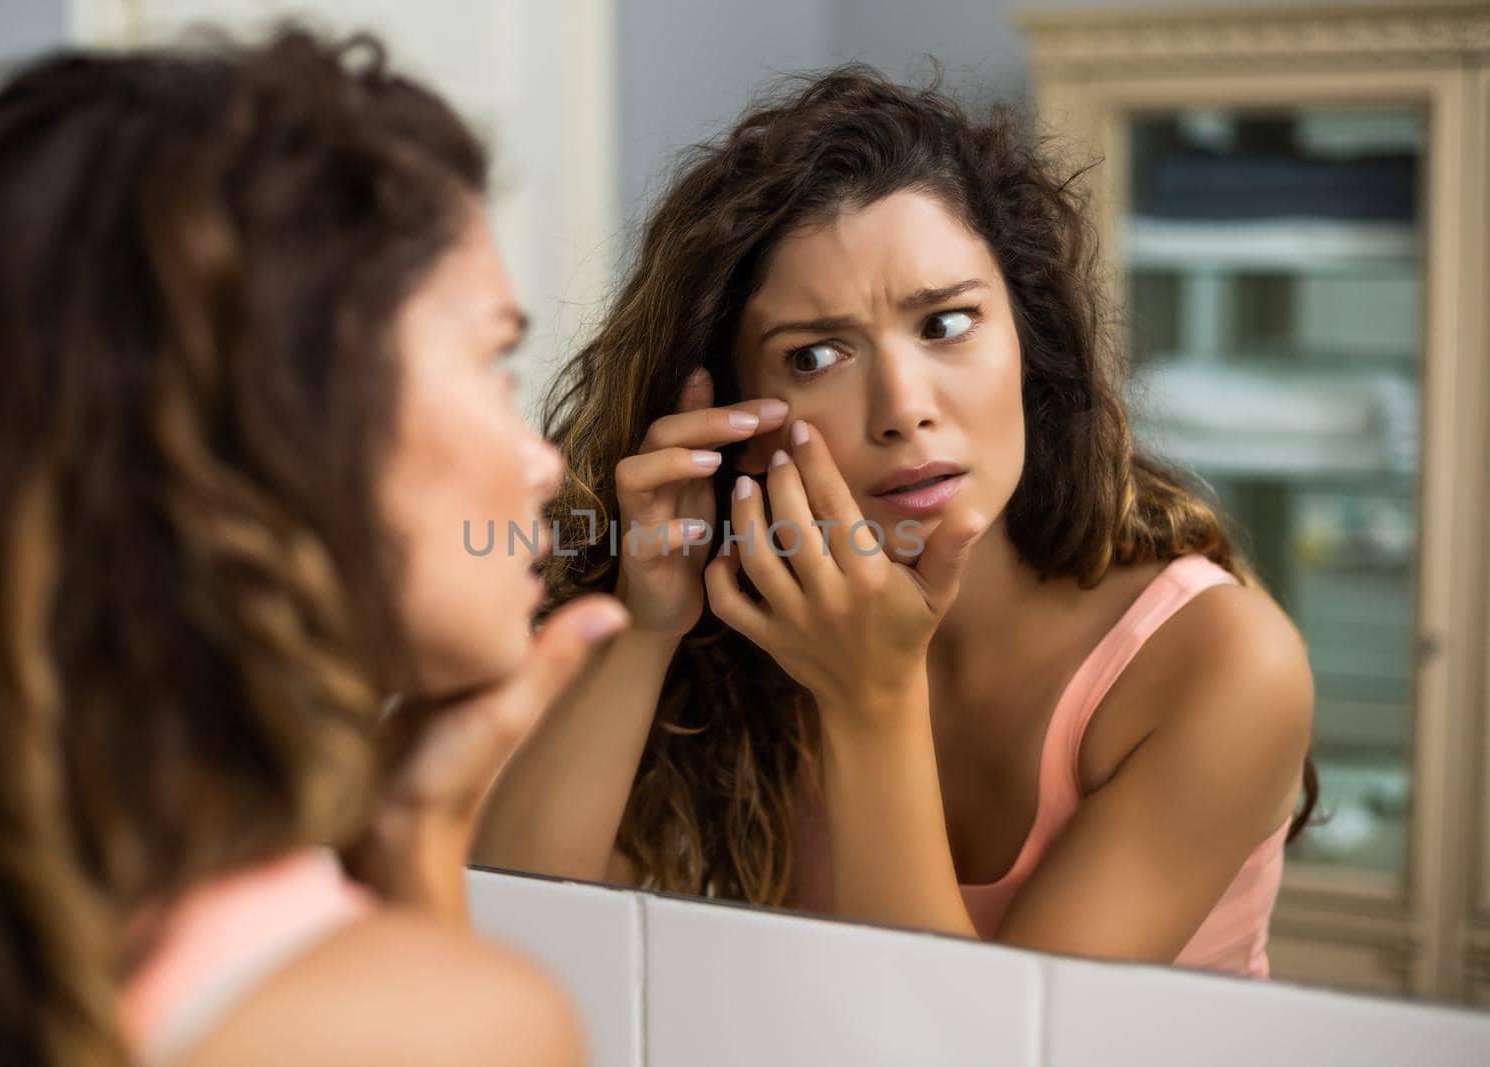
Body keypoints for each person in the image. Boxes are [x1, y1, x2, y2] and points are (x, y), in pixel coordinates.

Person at [473, 65, 1321, 979]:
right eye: (818, 354)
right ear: (734, 414)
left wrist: (870, 698)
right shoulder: (757, 628)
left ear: (1029, 343)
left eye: (948, 324)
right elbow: (515, 936)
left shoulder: (1223, 662)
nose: (903, 407)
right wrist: (648, 627)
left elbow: (971, 1043)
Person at [0, 23, 626, 1067]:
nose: (542, 459)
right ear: (294, 414)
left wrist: (412, 840)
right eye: (494, 357)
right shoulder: (450, 1027)